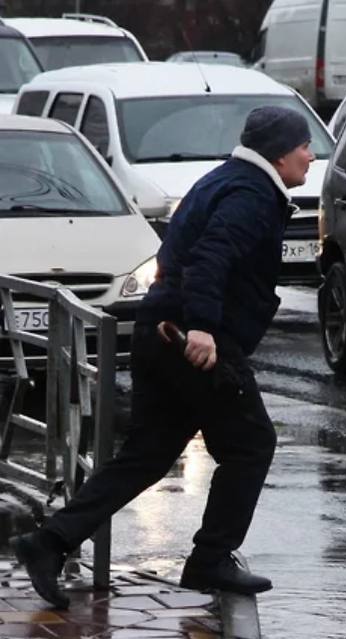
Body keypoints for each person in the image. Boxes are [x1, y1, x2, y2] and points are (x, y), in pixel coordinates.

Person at [13, 105, 315, 610]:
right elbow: (210, 257)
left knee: (148, 454)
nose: (310, 155)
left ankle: (48, 542)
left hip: (161, 332)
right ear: (280, 153)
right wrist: (203, 328)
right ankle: (210, 560)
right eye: (304, 145)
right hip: (190, 340)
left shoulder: (224, 180)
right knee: (252, 444)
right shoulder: (250, 193)